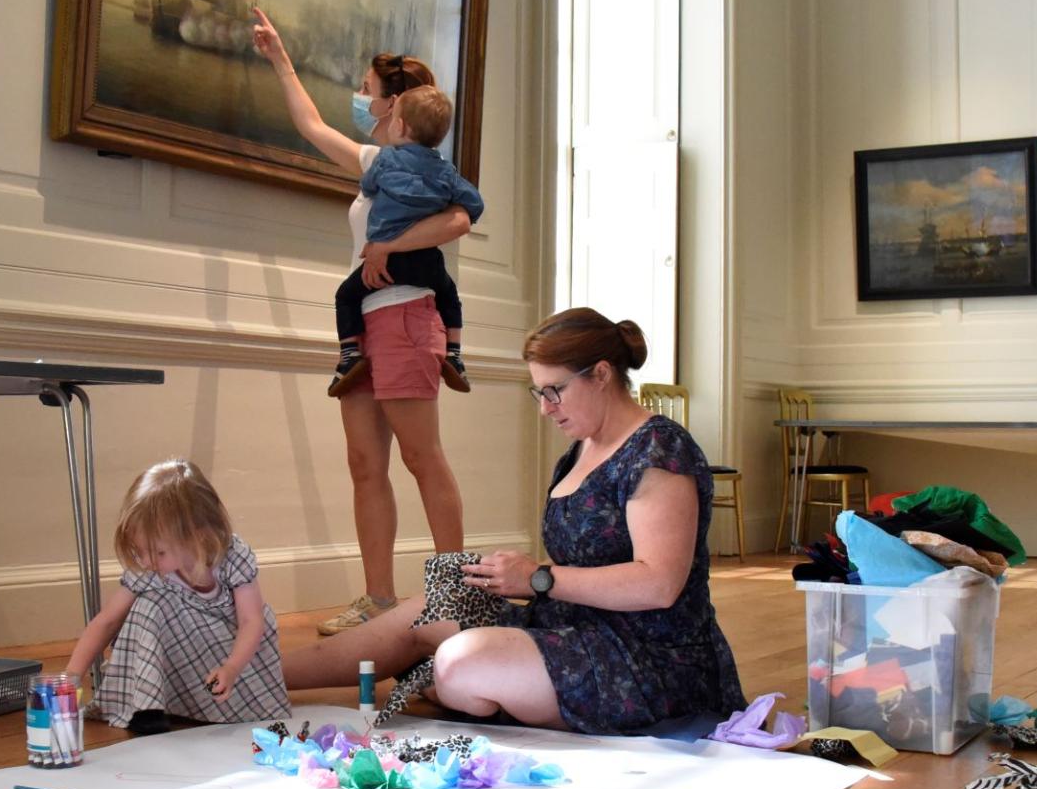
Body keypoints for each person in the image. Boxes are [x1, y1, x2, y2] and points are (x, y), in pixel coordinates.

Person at [282, 308, 747, 734]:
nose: (545, 407)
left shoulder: (658, 451)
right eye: (538, 392)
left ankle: (460, 684)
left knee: (461, 662)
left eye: (555, 391)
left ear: (602, 375)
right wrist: (509, 578)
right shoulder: (581, 448)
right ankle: (264, 675)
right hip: (572, 626)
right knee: (441, 598)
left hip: (650, 662)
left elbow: (658, 584)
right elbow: (590, 555)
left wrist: (538, 578)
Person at [252, 8, 467, 636]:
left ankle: (453, 599)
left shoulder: (429, 171)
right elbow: (311, 124)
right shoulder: (376, 163)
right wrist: (279, 59)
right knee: (364, 463)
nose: (360, 97)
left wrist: (387, 250)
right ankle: (377, 598)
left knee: (422, 457)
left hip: (405, 318)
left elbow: (459, 222)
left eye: (368, 91)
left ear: (393, 104)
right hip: (366, 325)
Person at [66, 459, 289, 734]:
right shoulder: (150, 570)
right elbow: (107, 621)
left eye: (158, 552)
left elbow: (251, 621)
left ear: (198, 536)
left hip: (231, 653)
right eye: (140, 551)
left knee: (157, 603)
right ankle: (147, 708)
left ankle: (224, 705)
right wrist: (71, 676)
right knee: (147, 605)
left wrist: (231, 668)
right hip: (182, 662)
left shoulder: (231, 556)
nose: (147, 561)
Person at [332, 81, 483, 398]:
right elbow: (474, 205)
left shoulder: (386, 161)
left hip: (387, 268)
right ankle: (454, 352)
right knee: (449, 293)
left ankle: (349, 356)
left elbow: (369, 186)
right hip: (426, 263)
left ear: (398, 124)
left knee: (346, 296)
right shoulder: (446, 172)